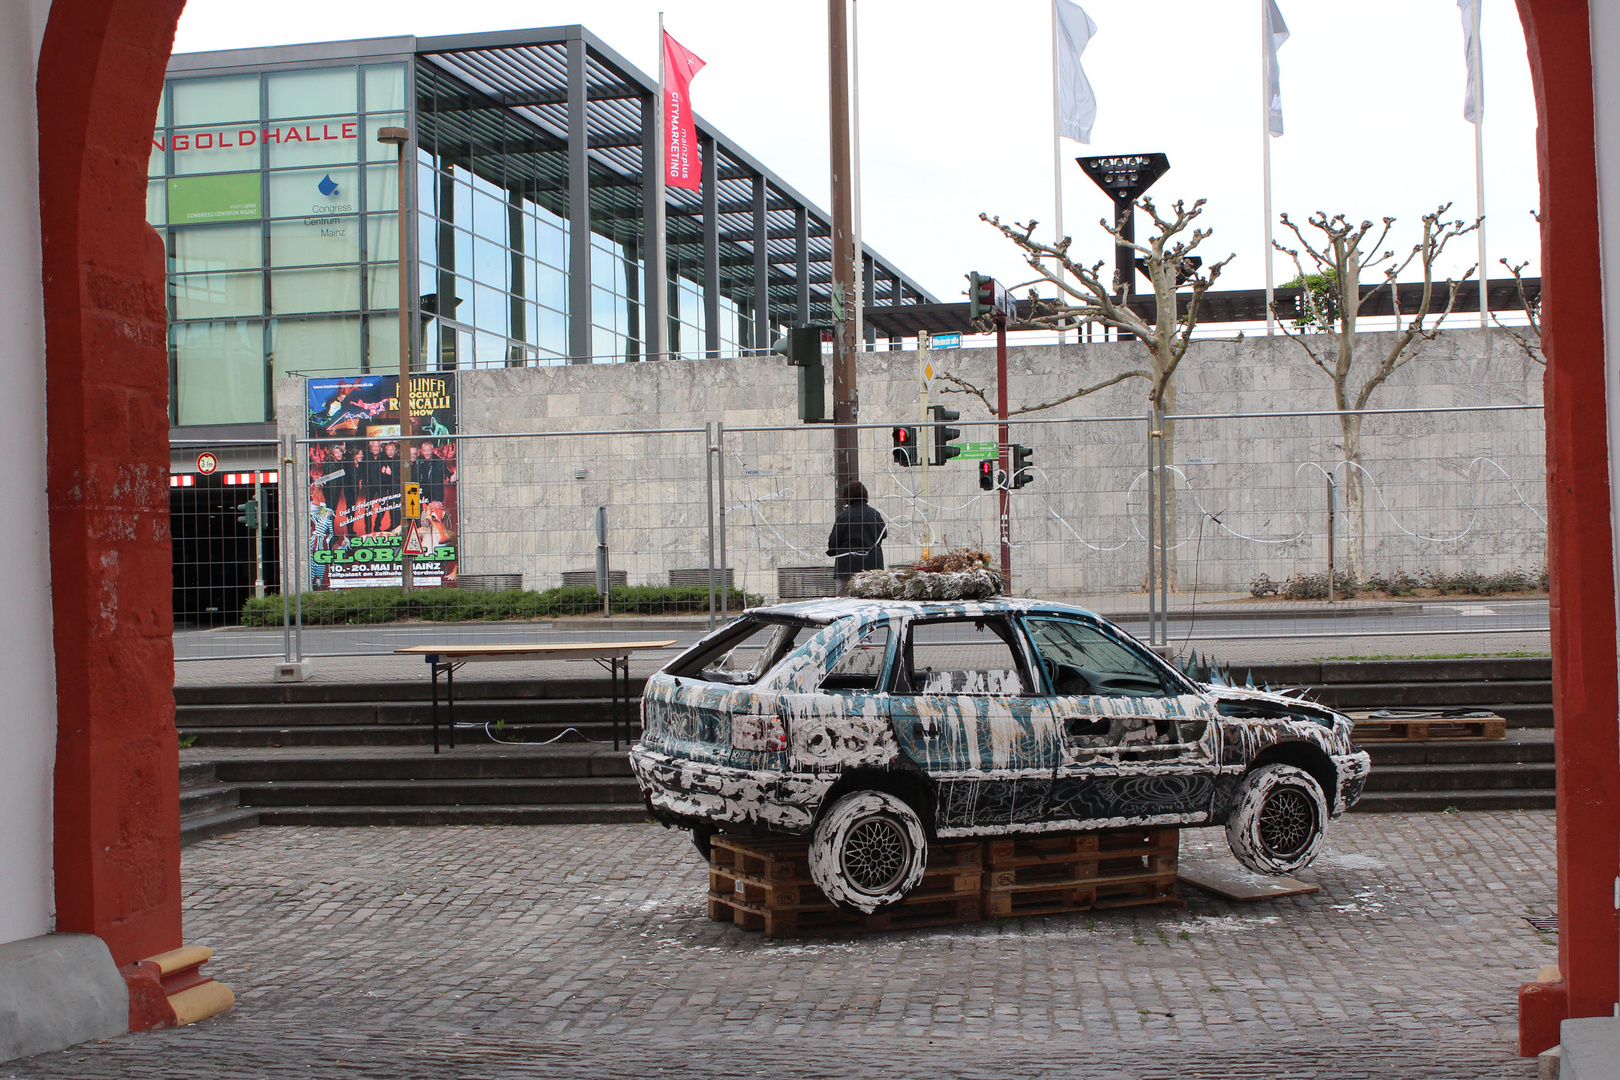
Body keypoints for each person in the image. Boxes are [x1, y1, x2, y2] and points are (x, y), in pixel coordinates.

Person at [826, 480, 886, 596]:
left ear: (847, 497)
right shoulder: (874, 514)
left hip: (847, 567)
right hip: (872, 567)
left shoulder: (844, 516)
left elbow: (833, 542)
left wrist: (834, 551)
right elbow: (883, 534)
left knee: (844, 602)